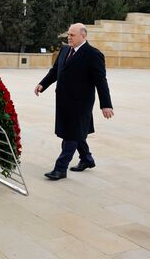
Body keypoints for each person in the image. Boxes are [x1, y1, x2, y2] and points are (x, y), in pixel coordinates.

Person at [34, 23, 114, 181]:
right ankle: (87, 159)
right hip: (63, 100)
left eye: (72, 35)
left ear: (83, 36)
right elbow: (55, 71)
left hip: (81, 103)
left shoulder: (93, 54)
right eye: (68, 35)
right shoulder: (64, 50)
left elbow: (101, 81)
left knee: (71, 134)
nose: (69, 37)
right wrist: (42, 84)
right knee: (76, 132)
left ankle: (60, 168)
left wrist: (106, 104)